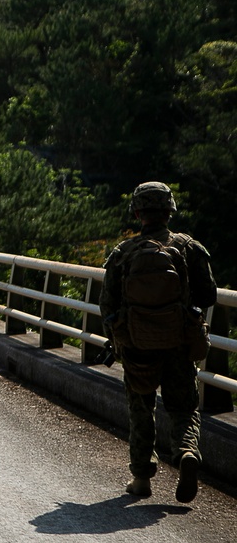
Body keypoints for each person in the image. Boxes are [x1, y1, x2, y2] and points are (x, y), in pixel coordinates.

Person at [99, 181, 216, 503]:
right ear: (170, 211)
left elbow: (107, 306)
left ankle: (141, 479)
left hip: (137, 346)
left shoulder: (124, 252)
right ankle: (187, 451)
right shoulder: (189, 247)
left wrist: (121, 337)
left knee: (141, 409)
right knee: (184, 407)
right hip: (179, 344)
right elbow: (209, 295)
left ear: (138, 213)